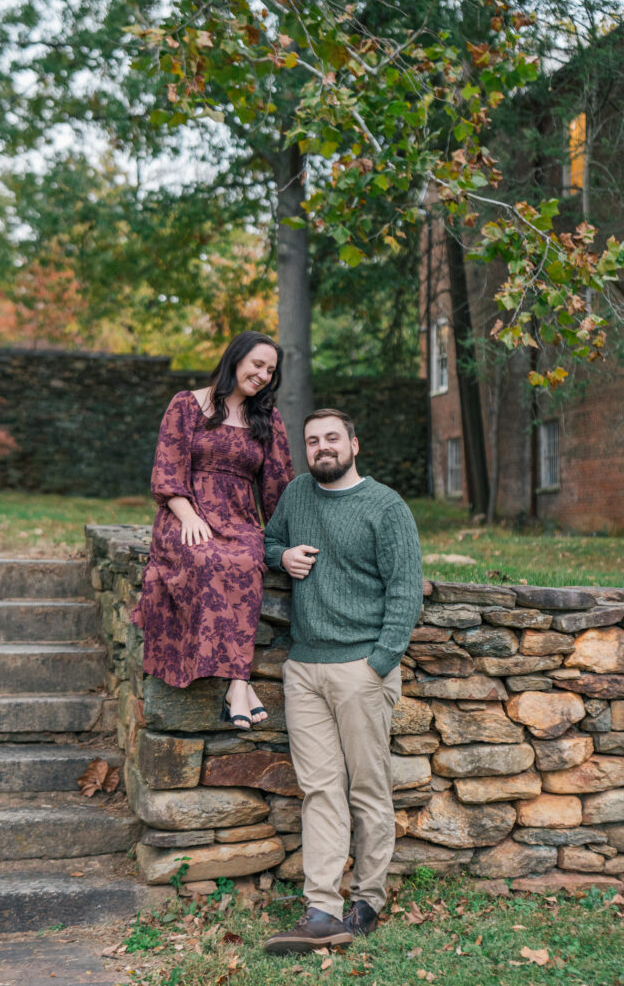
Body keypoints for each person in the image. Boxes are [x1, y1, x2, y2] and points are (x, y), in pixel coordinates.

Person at [262, 408, 422, 955]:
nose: (322, 447)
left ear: (354, 443)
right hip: (304, 667)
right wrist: (281, 555)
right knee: (319, 790)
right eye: (312, 441)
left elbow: (405, 591)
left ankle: (368, 900)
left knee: (368, 788)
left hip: (361, 668)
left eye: (332, 438)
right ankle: (322, 910)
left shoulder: (385, 506)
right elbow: (264, 543)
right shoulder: (296, 495)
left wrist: (378, 663)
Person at [131, 331, 294, 729]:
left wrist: (288, 537)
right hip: (186, 513)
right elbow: (167, 468)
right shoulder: (186, 404)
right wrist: (187, 515)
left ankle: (238, 683)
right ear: (235, 358)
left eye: (270, 371)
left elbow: (278, 483)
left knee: (244, 561)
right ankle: (239, 684)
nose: (262, 375)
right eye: (257, 364)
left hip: (239, 519)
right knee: (205, 560)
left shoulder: (267, 418)